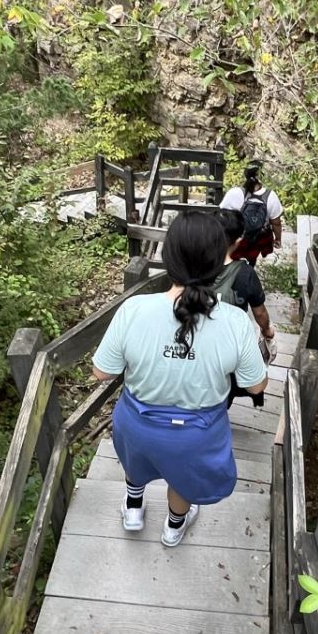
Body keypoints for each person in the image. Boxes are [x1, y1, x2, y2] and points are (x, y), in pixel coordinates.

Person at [91, 210, 267, 547]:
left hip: (137, 425)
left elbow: (101, 372)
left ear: (168, 257)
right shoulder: (234, 322)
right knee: (182, 479)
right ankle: (172, 528)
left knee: (136, 460)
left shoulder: (134, 309)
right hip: (196, 435)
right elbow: (256, 386)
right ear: (221, 260)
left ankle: (133, 509)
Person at [215, 208, 278, 364]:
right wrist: (266, 331)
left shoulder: (193, 266)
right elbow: (260, 312)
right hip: (230, 343)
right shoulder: (245, 272)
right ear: (237, 242)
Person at [219, 160, 283, 265]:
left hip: (236, 240)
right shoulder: (271, 196)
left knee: (230, 259)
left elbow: (222, 215)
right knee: (252, 258)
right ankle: (249, 269)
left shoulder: (234, 193)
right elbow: (276, 222)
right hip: (257, 242)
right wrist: (278, 239)